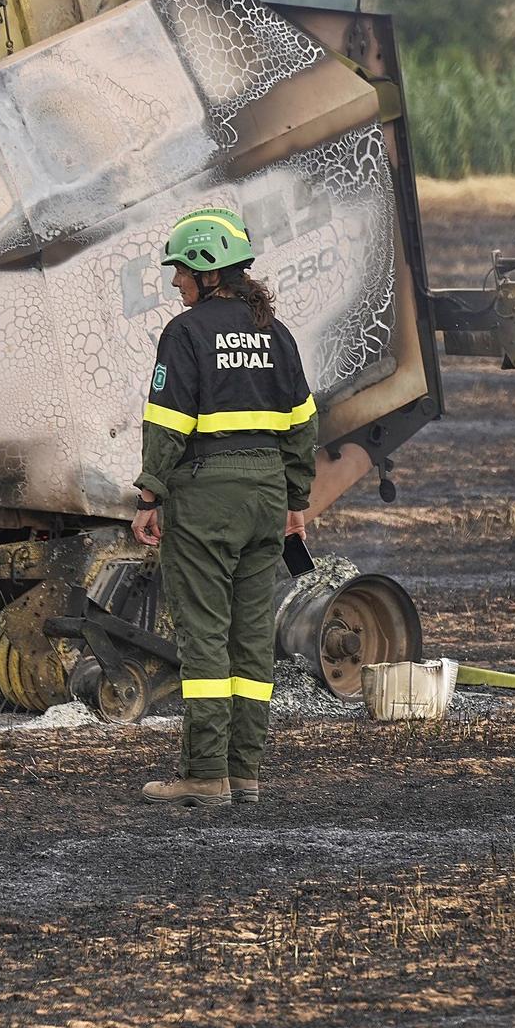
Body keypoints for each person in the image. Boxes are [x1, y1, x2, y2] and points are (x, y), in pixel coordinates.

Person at [132, 208, 317, 809]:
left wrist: (150, 495)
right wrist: (296, 501)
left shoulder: (185, 336)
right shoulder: (277, 335)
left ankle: (205, 773)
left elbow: (166, 425)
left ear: (208, 271)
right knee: (251, 637)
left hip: (207, 498)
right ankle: (246, 774)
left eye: (181, 270)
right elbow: (302, 426)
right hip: (265, 499)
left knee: (205, 636)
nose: (176, 283)